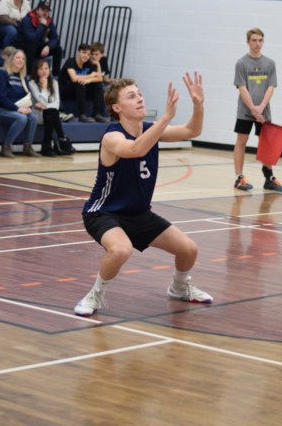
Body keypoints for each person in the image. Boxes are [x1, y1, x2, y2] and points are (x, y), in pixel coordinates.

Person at [74, 73, 212, 317]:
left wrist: (198, 104)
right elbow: (136, 149)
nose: (139, 98)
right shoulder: (112, 136)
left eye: (139, 93)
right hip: (104, 212)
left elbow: (193, 130)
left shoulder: (151, 130)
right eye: (131, 96)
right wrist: (166, 117)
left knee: (189, 249)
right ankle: (95, 294)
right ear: (117, 107)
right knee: (120, 250)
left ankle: (179, 287)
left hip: (138, 213)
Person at [232, 28, 282, 193]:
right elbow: (242, 88)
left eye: (260, 40)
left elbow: (271, 87)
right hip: (245, 111)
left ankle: (269, 177)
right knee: (241, 142)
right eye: (254, 40)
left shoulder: (270, 64)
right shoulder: (241, 63)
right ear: (248, 42)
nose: (257, 44)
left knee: (267, 143)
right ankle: (239, 178)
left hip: (264, 111)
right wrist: (253, 109)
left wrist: (261, 107)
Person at [0, 49, 42, 158]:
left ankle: (27, 147)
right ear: (11, 59)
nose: (21, 60)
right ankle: (6, 146)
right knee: (21, 118)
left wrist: (28, 107)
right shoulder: (2, 73)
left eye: (23, 58)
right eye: (18, 57)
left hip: (15, 109)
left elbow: (27, 96)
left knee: (32, 117)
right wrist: (17, 109)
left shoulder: (22, 77)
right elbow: (1, 97)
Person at [27, 59, 74, 156]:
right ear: (36, 71)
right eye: (41, 69)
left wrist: (45, 106)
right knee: (52, 113)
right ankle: (62, 139)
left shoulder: (54, 83)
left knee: (50, 115)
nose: (44, 71)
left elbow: (56, 104)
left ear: (49, 70)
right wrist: (44, 87)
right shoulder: (32, 83)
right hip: (37, 114)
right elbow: (42, 101)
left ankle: (47, 147)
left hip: (50, 114)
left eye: (46, 68)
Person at [59, 43, 108, 123]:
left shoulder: (87, 63)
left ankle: (97, 114)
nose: (86, 56)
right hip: (66, 90)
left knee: (98, 85)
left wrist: (89, 80)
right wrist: (90, 76)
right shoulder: (70, 61)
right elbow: (74, 78)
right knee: (80, 83)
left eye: (88, 54)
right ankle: (82, 115)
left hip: (80, 91)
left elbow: (99, 78)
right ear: (78, 52)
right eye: (84, 52)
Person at [17, 1, 62, 81]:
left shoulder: (49, 21)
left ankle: (55, 77)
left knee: (58, 49)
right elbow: (31, 39)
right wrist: (41, 25)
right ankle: (28, 75)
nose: (45, 13)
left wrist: (48, 46)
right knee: (32, 45)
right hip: (23, 48)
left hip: (37, 48)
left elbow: (55, 38)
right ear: (37, 10)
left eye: (47, 11)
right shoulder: (27, 20)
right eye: (43, 10)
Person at [89, 42, 112, 119]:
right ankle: (104, 115)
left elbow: (106, 79)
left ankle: (113, 115)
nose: (93, 56)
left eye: (96, 54)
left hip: (101, 83)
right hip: (92, 83)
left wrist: (115, 81)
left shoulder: (104, 60)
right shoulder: (88, 62)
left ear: (102, 54)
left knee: (115, 89)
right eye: (92, 54)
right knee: (103, 88)